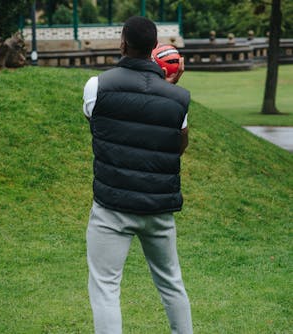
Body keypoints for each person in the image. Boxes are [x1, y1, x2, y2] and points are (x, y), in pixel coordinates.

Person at [83, 16, 193, 334]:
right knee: (172, 283)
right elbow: (177, 145)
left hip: (111, 206)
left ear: (123, 42)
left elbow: (99, 123)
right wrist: (167, 90)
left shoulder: (96, 86)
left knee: (105, 288)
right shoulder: (178, 99)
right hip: (158, 209)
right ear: (154, 47)